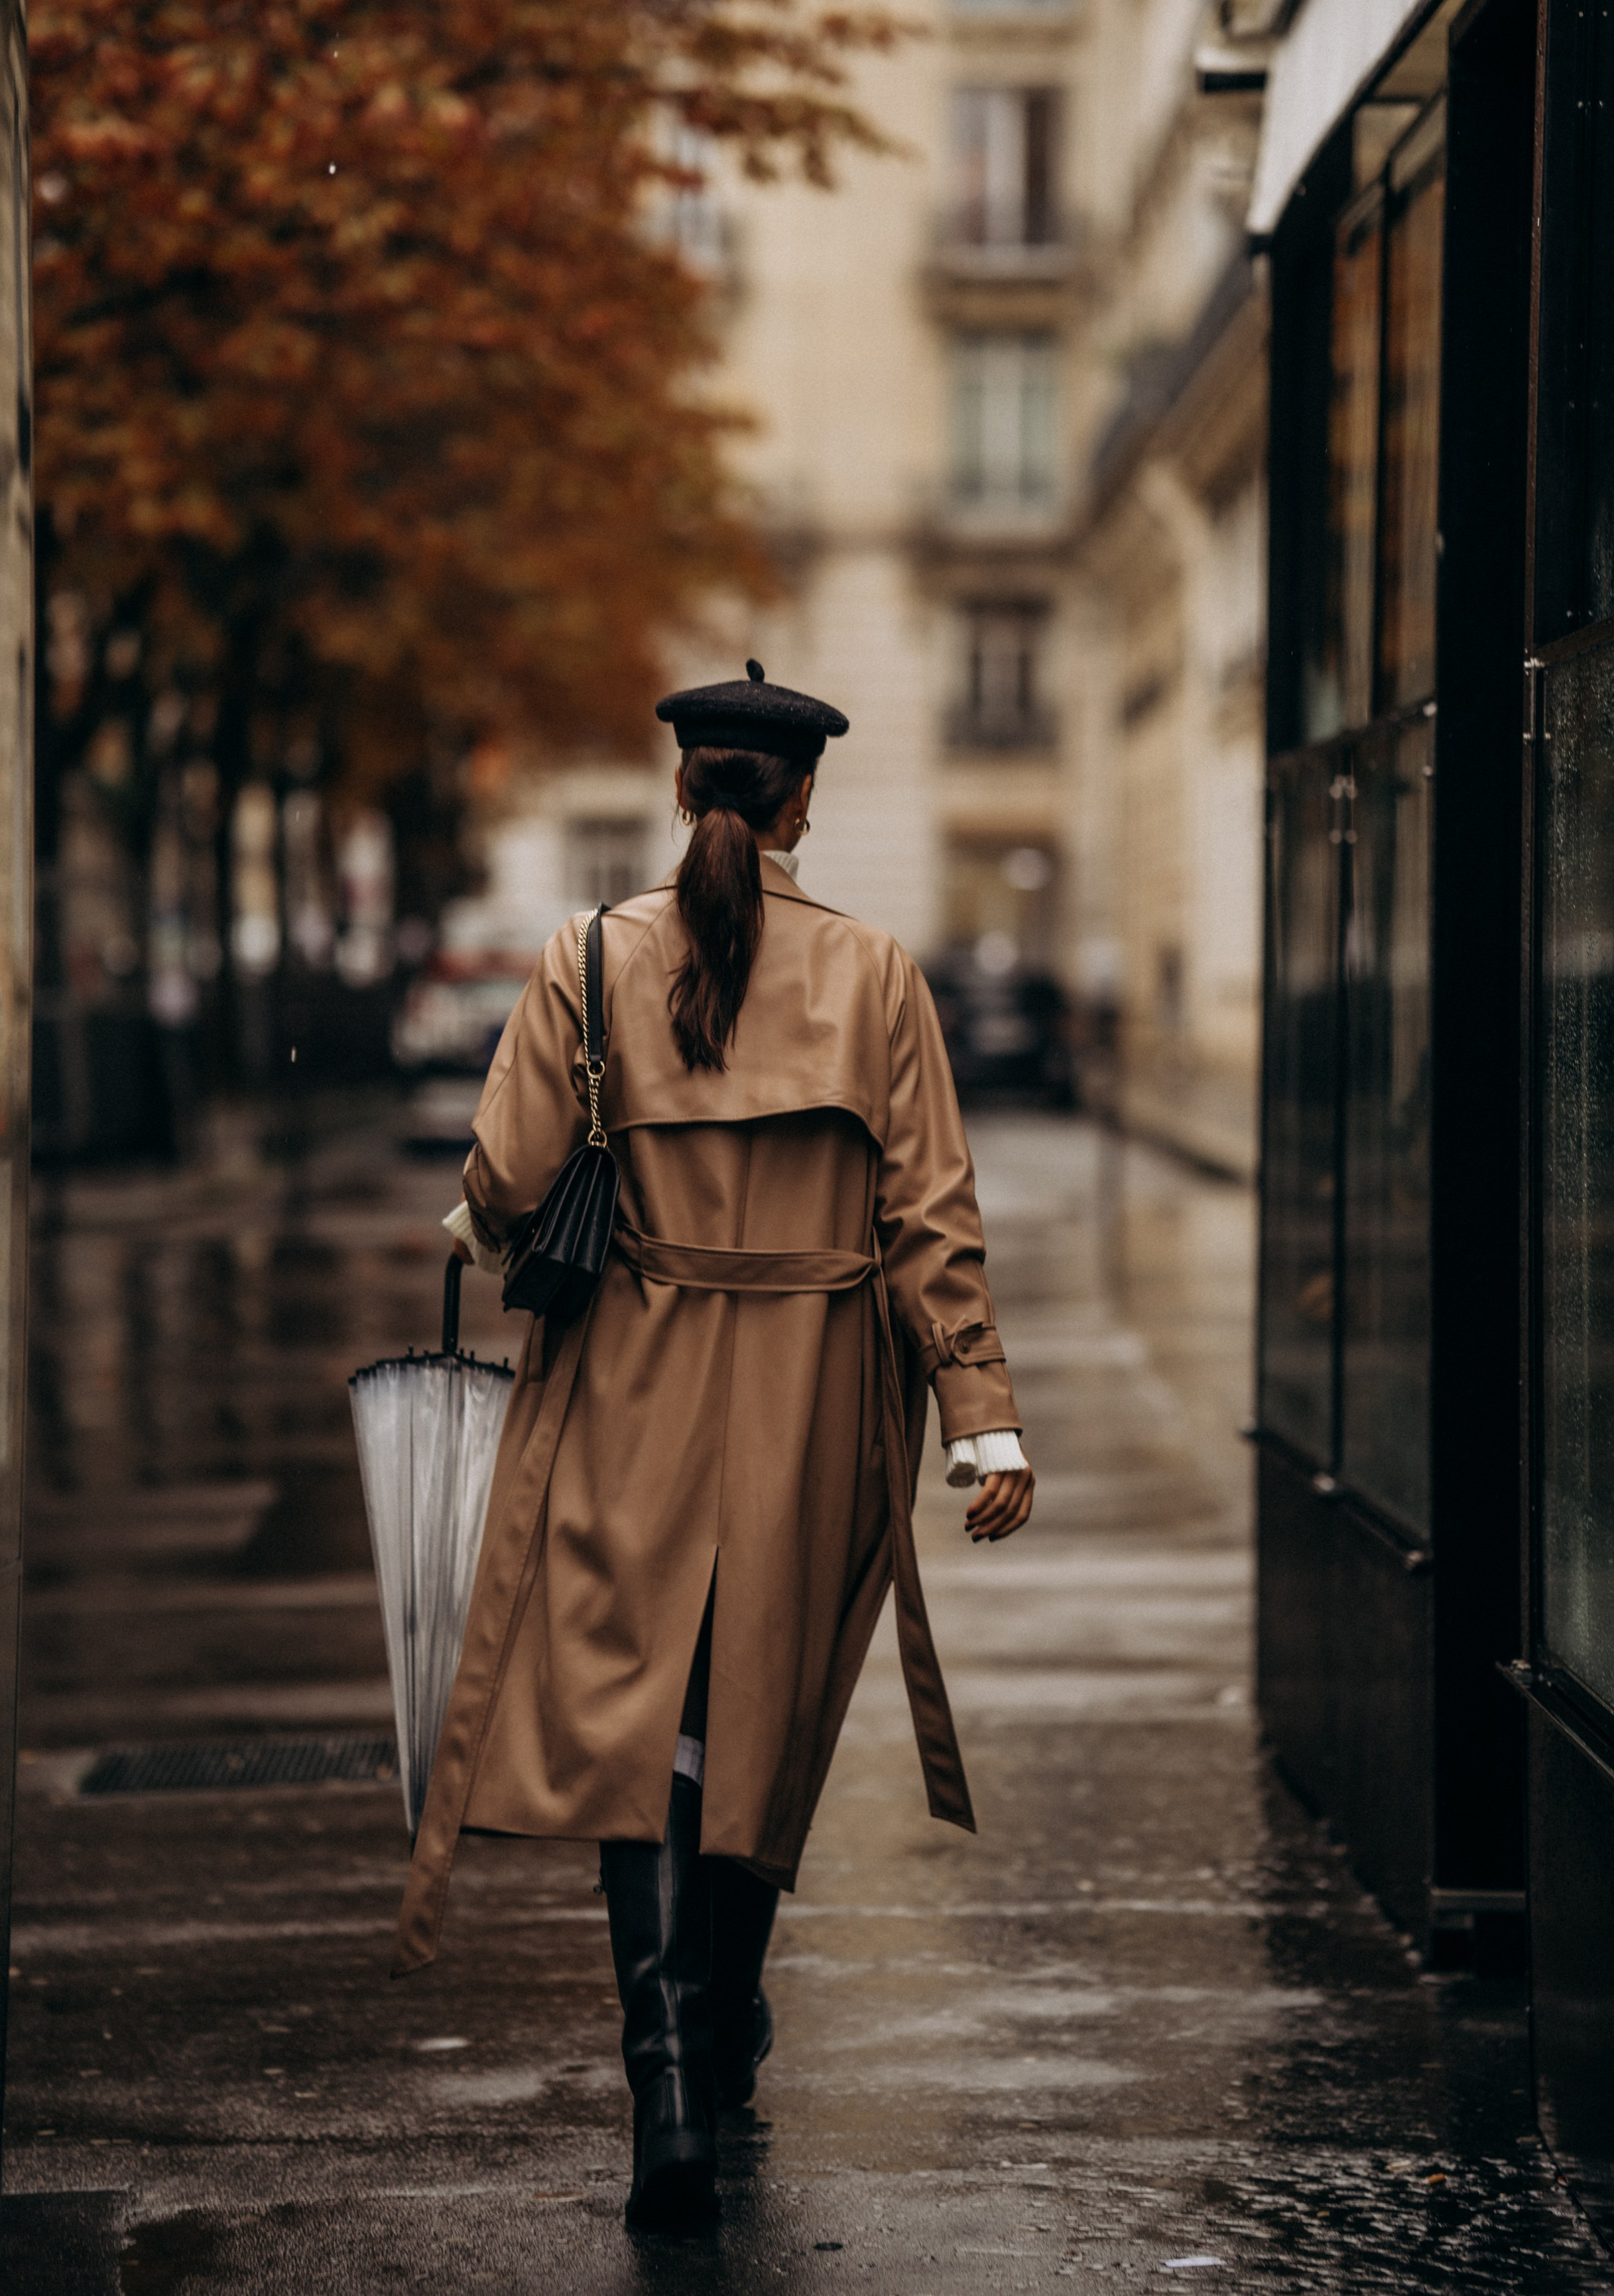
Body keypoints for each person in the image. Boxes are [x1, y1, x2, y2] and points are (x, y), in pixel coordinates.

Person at [400, 661, 1032, 2231]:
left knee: (643, 1730)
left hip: (628, 1381)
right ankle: (718, 2030)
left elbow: (507, 1167)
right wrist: (981, 1422)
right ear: (798, 802)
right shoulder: (880, 974)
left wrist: (473, 1228)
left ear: (687, 791)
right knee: (751, 1721)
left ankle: (668, 2075)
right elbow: (929, 1221)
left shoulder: (587, 953)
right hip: (812, 1395)